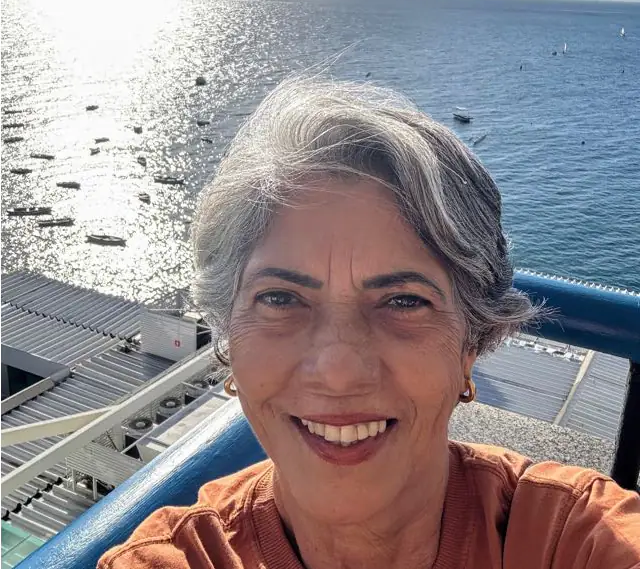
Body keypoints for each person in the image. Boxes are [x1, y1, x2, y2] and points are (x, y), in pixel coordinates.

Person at [98, 78, 640, 569]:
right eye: (281, 298)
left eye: (403, 301)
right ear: (228, 340)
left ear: (470, 344)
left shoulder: (573, 540)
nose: (338, 372)